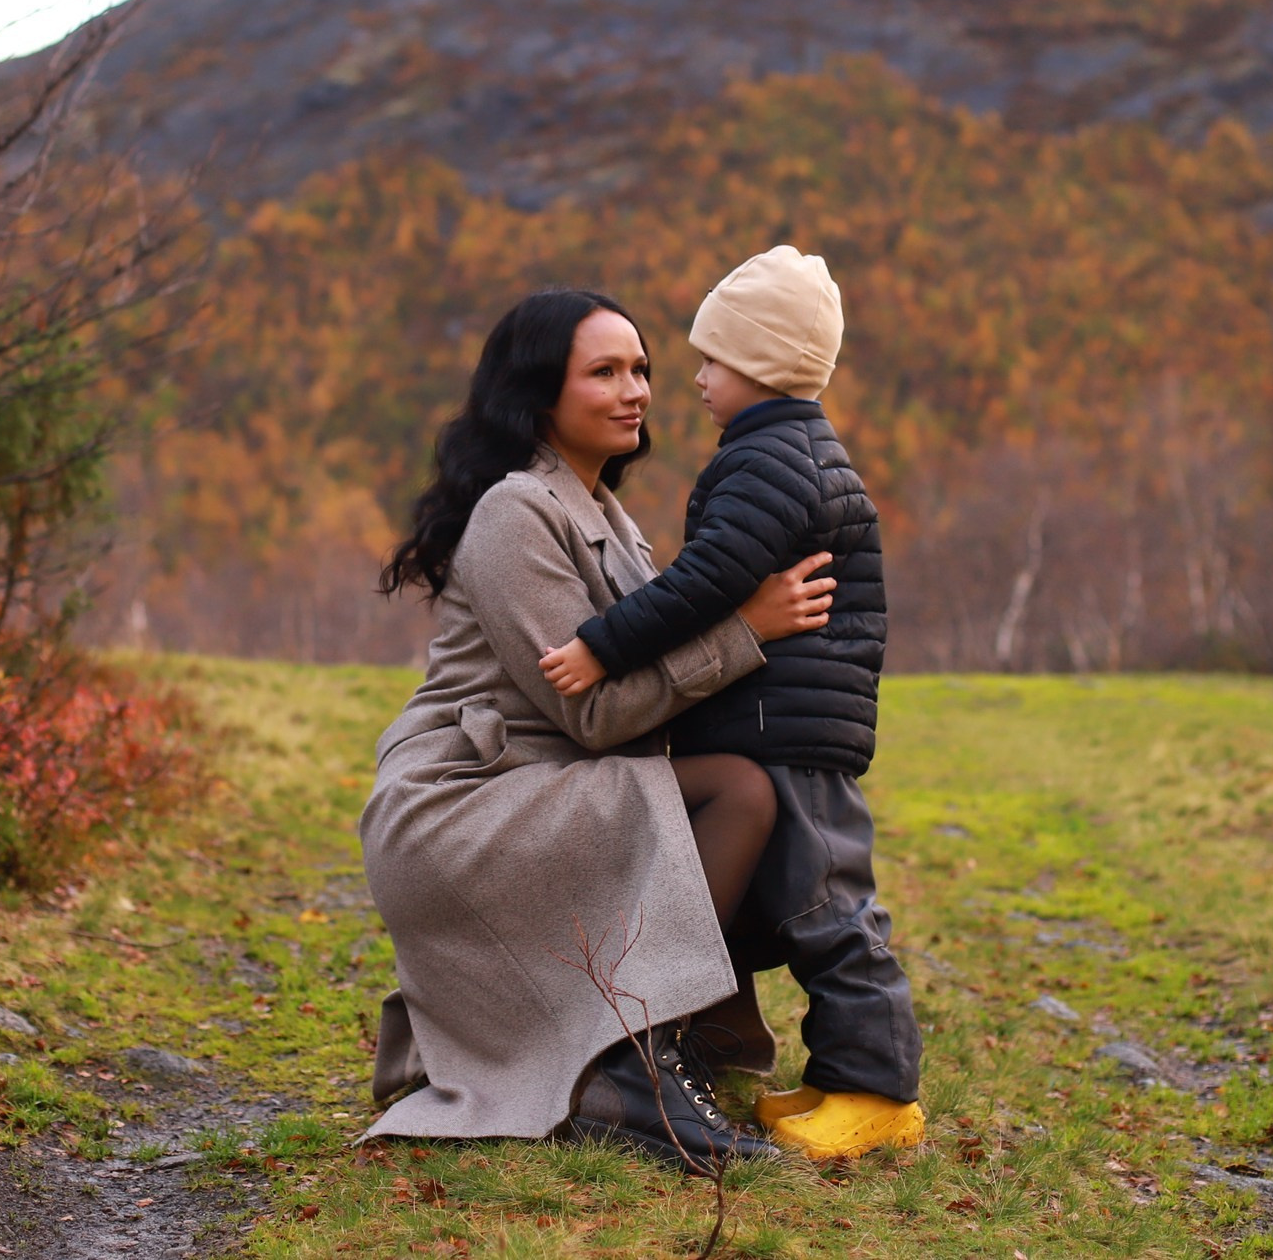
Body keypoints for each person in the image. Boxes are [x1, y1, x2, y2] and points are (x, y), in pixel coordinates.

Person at [359, 288, 840, 1172]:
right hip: (462, 807)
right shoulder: (515, 512)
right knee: (735, 790)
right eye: (606, 371)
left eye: (644, 370)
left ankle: (655, 1033)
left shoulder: (605, 515)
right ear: (540, 394)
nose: (638, 390)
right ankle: (634, 1060)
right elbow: (593, 713)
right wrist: (748, 631)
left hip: (537, 786)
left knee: (764, 785)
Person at [537, 246, 923, 1161]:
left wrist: (603, 645)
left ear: (761, 364)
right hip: (781, 724)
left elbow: (705, 582)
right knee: (799, 901)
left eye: (711, 360)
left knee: (829, 910)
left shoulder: (772, 461)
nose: (697, 379)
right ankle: (839, 1076)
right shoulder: (782, 453)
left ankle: (881, 1093)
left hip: (792, 730)